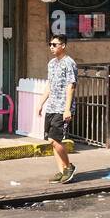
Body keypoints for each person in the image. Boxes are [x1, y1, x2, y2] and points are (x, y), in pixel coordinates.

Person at [36, 34, 78, 184]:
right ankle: (62, 171)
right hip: (52, 106)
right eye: (50, 44)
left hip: (62, 108)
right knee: (52, 141)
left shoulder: (69, 63)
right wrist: (41, 103)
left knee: (55, 139)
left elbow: (71, 86)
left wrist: (67, 109)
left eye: (55, 44)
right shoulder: (52, 63)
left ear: (63, 45)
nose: (52, 47)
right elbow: (49, 85)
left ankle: (69, 167)